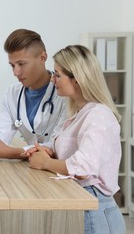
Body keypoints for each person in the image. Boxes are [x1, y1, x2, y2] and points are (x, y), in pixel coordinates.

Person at [27, 45, 125, 233]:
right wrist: (49, 150)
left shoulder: (99, 115)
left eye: (57, 74)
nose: (52, 79)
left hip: (95, 211)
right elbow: (71, 147)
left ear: (77, 80)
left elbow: (83, 168)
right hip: (81, 203)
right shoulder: (78, 112)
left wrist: (45, 163)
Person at [0, 29, 67, 159]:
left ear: (43, 57)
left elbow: (58, 146)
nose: (16, 72)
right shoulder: (12, 93)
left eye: (21, 64)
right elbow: (1, 140)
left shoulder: (64, 93)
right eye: (12, 65)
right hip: (35, 170)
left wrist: (13, 153)